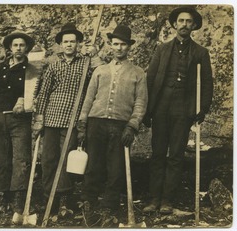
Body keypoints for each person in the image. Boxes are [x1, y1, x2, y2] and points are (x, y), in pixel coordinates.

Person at [142, 7, 213, 214]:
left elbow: (207, 84)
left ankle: (167, 200)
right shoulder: (162, 49)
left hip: (183, 109)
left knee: (176, 155)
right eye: (180, 21)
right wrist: (148, 110)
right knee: (157, 153)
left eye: (188, 21)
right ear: (174, 24)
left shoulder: (201, 53)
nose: (184, 24)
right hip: (161, 107)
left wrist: (201, 110)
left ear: (193, 26)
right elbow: (151, 79)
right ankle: (154, 198)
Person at [77, 25, 148, 225]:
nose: (118, 48)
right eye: (115, 44)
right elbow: (89, 98)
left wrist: (132, 126)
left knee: (116, 168)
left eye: (123, 44)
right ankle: (88, 203)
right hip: (96, 122)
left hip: (120, 126)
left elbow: (141, 103)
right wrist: (82, 124)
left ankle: (109, 207)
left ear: (129, 47)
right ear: (110, 46)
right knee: (93, 165)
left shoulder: (138, 73)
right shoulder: (100, 70)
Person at [33, 22, 92, 217]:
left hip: (72, 120)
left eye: (73, 41)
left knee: (68, 160)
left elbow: (91, 87)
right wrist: (40, 118)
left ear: (78, 44)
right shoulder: (53, 65)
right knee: (49, 159)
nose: (69, 45)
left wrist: (94, 55)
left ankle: (65, 199)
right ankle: (50, 197)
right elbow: (43, 93)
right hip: (52, 118)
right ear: (60, 44)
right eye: (65, 41)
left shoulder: (86, 64)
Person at [0, 31, 40, 215]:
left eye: (22, 45)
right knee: (0, 159)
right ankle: (1, 198)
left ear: (27, 48)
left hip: (19, 119)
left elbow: (35, 93)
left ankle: (17, 201)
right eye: (15, 45)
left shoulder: (32, 70)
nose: (18, 48)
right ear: (10, 48)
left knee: (20, 160)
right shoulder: (2, 67)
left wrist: (24, 99)